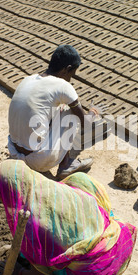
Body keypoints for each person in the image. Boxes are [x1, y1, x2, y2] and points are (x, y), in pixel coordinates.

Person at [0, 159, 137, 275]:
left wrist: (19, 274)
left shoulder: (33, 227)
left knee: (42, 254)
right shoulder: (77, 181)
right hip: (122, 240)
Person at [7, 44, 103, 180]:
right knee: (70, 113)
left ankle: (55, 156)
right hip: (37, 160)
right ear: (67, 69)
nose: (70, 79)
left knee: (53, 108)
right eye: (72, 74)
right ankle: (66, 165)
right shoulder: (63, 86)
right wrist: (93, 113)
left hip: (14, 153)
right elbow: (85, 123)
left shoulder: (28, 79)